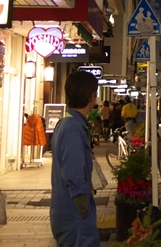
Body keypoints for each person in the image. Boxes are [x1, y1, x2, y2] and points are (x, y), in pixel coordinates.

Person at [50, 70, 101, 247]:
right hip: (74, 212)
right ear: (91, 96)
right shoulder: (73, 128)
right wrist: (83, 206)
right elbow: (74, 171)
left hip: (67, 209)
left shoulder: (67, 124)